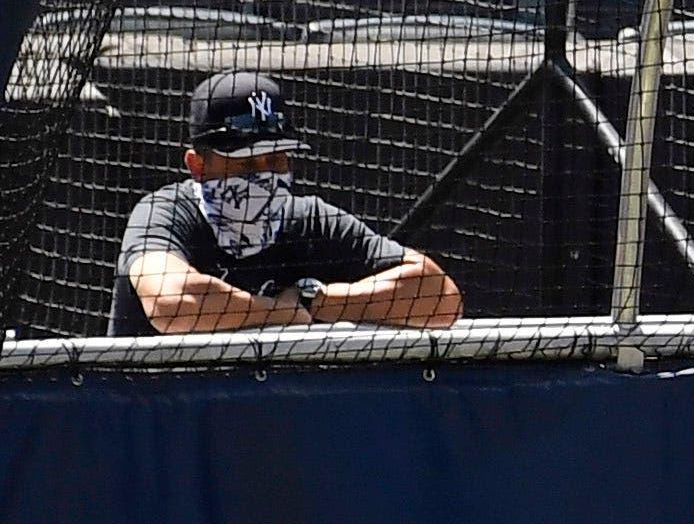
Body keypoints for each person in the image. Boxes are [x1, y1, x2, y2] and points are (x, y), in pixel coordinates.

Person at [111, 72, 462, 337]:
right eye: (247, 164)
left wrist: (317, 301)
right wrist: (277, 313)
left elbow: (440, 297)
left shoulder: (308, 220)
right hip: (152, 418)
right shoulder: (165, 212)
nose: (266, 178)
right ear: (198, 166)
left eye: (277, 161)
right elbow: (172, 302)